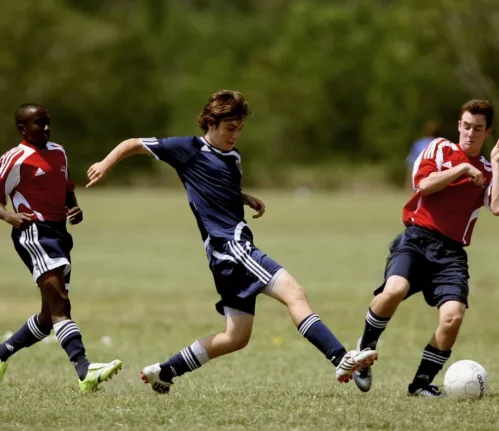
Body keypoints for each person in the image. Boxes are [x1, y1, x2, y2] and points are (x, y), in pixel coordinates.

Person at [86, 90, 377, 394]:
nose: (235, 135)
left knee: (236, 337)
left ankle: (166, 371)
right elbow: (133, 144)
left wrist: (244, 197)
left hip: (224, 255)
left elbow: (217, 189)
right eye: (229, 129)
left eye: (239, 129)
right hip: (232, 248)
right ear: (210, 123)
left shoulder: (233, 158)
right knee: (294, 293)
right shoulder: (187, 149)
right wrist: (106, 163)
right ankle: (340, 357)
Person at [354, 99, 499, 397]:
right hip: (416, 239)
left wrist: (498, 163)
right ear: (458, 126)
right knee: (394, 290)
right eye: (466, 126)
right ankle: (364, 351)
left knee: (453, 317)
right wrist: (463, 168)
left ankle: (421, 383)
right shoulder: (439, 148)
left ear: (487, 132)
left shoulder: (488, 170)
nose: (470, 133)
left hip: (451, 253)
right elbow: (424, 185)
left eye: (478, 129)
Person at [0, 104, 122, 392]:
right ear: (22, 129)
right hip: (34, 234)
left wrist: (74, 207)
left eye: (47, 123)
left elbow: (67, 188)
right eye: (38, 123)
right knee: (61, 305)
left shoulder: (59, 152)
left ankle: (1, 354)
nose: (45, 128)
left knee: (47, 318)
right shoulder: (16, 158)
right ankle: (84, 370)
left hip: (59, 233)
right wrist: (8, 215)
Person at [405, 121, 440, 193]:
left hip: (420, 177)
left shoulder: (419, 144)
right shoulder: (440, 144)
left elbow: (411, 164)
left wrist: (408, 184)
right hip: (435, 178)